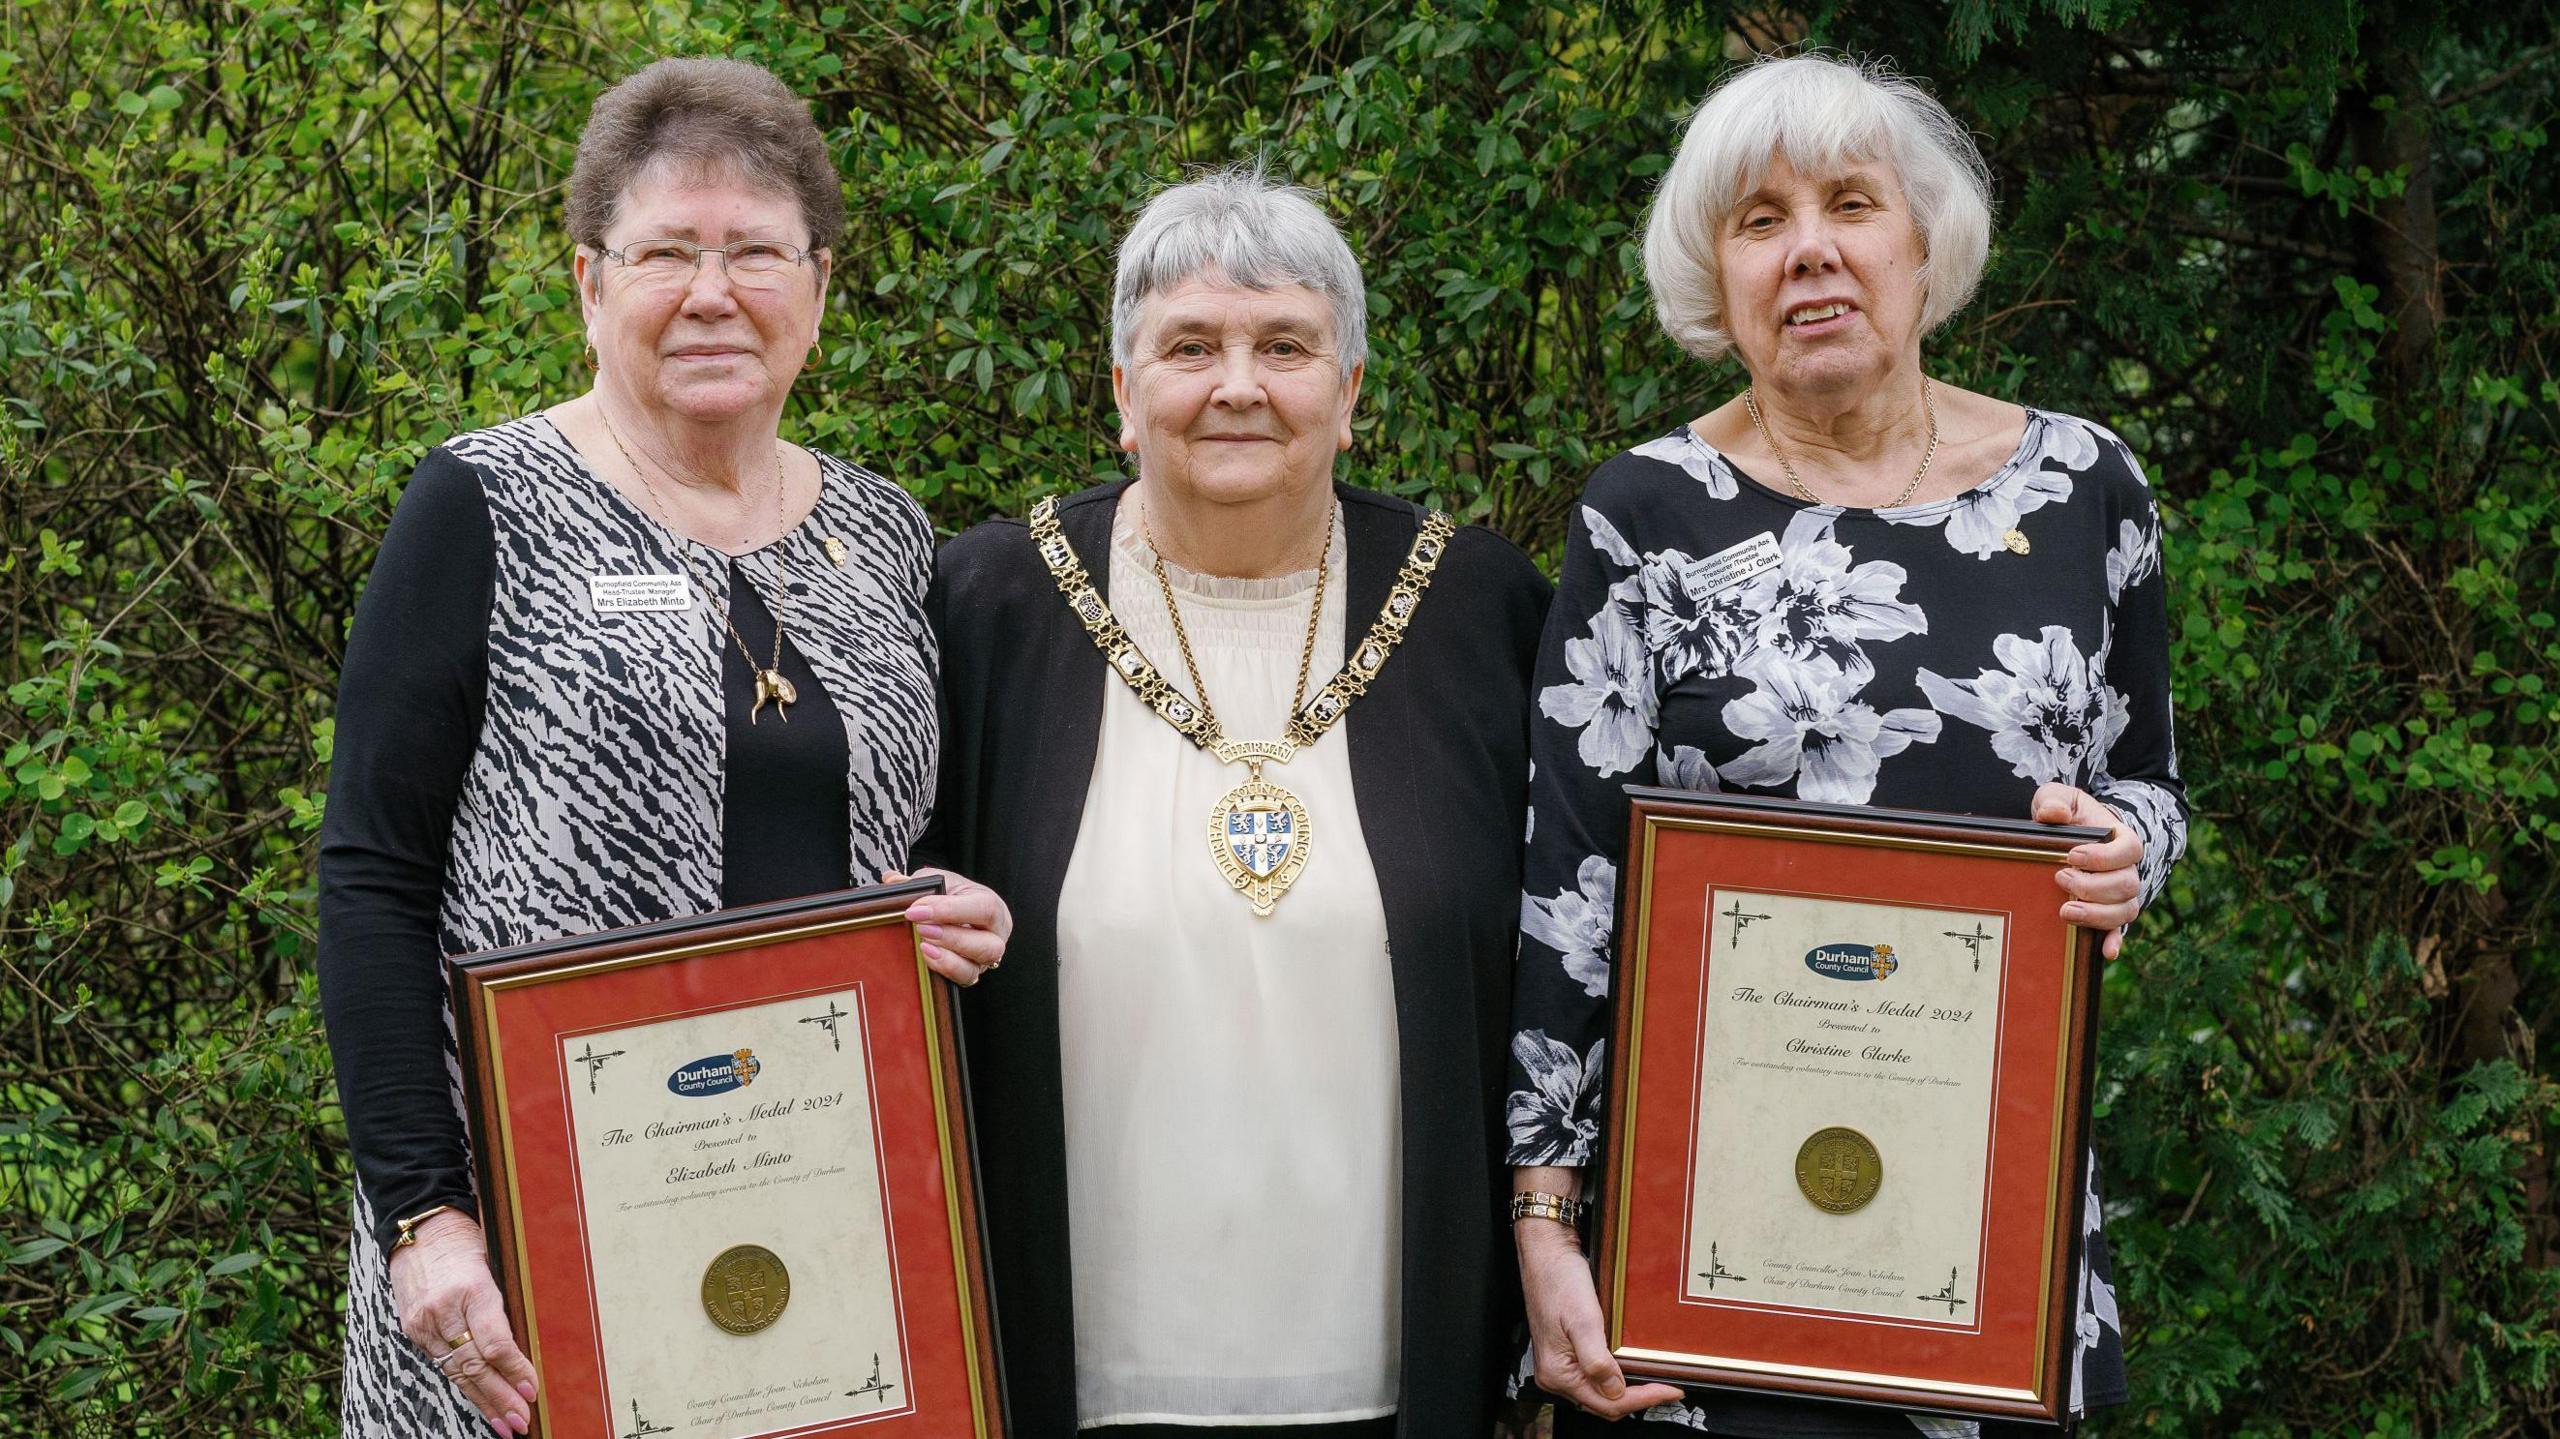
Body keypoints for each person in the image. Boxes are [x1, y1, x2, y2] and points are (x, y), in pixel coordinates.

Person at [315, 59, 1009, 1439]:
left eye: (755, 250)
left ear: (819, 283)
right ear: (589, 282)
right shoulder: (483, 503)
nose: (712, 291)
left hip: (826, 1230)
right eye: (666, 253)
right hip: (530, 1232)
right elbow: (371, 874)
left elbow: (895, 838)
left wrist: (947, 901)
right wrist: (425, 1212)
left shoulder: (887, 534)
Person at [1506, 53, 2185, 1437]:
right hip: (1696, 1251)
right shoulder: (1646, 512)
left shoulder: (2084, 488)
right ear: (1718, 277)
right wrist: (1542, 1219)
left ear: (1923, 242)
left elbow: (2147, 781)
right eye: (1760, 220)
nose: (1810, 248)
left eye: (1851, 204)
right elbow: (1571, 890)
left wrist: (2132, 848)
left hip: (1982, 1234)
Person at [917, 166, 1550, 1437]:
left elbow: (1581, 953)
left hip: (1398, 1363)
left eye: (1286, 346)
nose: (1238, 385)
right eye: (1189, 346)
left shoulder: (1480, 608)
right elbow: (883, 893)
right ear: (1120, 392)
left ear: (1352, 391)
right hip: (1067, 1366)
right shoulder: (985, 606)